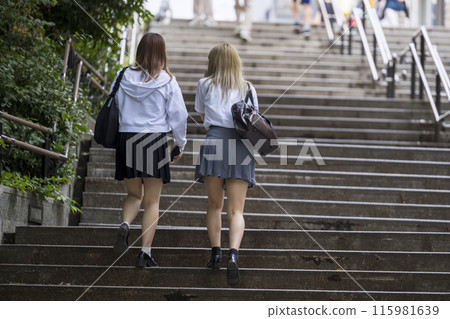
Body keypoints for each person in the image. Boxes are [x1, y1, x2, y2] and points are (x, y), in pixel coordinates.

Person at [112, 33, 188, 268]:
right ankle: (145, 253)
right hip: (154, 139)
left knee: (134, 195)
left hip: (127, 138)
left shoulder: (123, 75)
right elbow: (179, 116)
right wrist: (179, 143)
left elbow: (114, 105)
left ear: (140, 50)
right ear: (162, 53)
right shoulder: (167, 80)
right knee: (152, 201)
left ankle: (125, 224)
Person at [194, 43, 258, 286]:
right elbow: (253, 120)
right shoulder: (248, 87)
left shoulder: (205, 84)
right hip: (241, 146)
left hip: (214, 142)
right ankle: (233, 253)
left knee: (214, 205)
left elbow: (202, 116)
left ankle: (215, 253)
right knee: (236, 210)